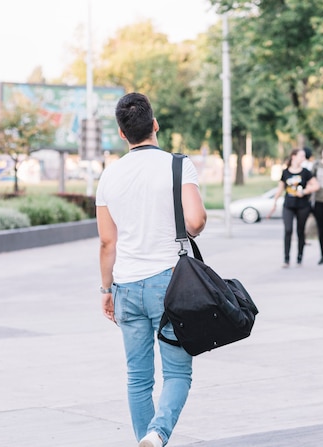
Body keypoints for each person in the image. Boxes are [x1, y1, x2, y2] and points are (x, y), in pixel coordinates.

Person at [96, 92, 207, 447]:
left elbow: (106, 243)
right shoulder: (178, 165)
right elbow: (197, 220)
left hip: (125, 286)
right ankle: (157, 435)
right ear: (155, 125)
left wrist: (105, 290)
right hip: (170, 285)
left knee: (138, 378)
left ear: (122, 133)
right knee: (177, 371)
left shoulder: (108, 176)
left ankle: (147, 439)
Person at [269, 148, 319, 268]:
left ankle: (299, 257)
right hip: (288, 205)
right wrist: (274, 203)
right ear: (293, 157)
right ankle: (286, 259)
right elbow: (280, 188)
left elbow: (316, 185)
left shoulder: (306, 172)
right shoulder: (285, 172)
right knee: (288, 230)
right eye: (301, 156)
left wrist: (306, 191)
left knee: (300, 231)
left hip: (302, 206)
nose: (303, 158)